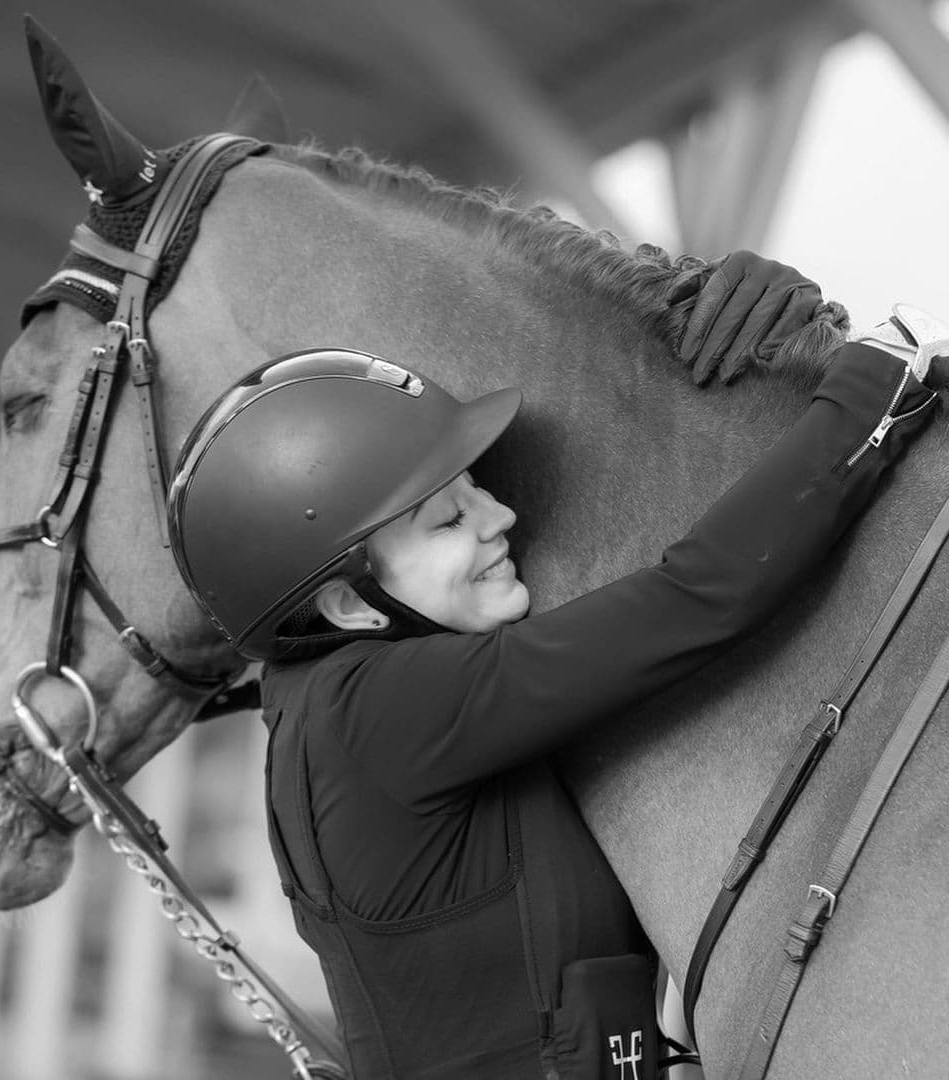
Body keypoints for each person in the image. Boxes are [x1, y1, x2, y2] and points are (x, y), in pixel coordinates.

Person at [166, 255, 945, 1080]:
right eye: (447, 521)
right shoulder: (379, 713)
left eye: (477, 489)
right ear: (349, 607)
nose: (499, 516)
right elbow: (694, 599)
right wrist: (878, 385)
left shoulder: (344, 704)